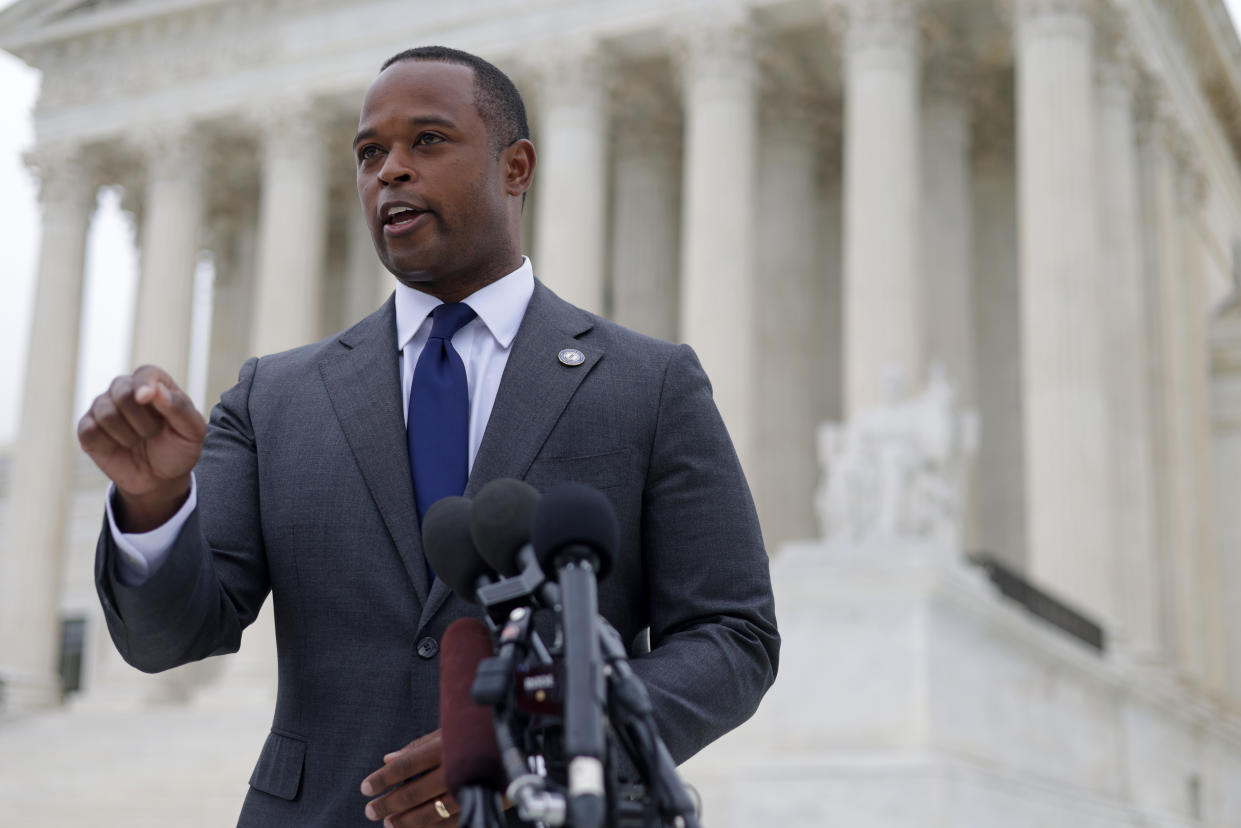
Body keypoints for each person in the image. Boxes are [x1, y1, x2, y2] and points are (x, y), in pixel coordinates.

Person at [78, 46, 778, 827]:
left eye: (428, 141)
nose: (391, 171)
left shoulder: (647, 384)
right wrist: (154, 500)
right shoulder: (274, 397)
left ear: (515, 168)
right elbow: (170, 637)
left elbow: (731, 634)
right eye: (370, 152)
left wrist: (535, 741)